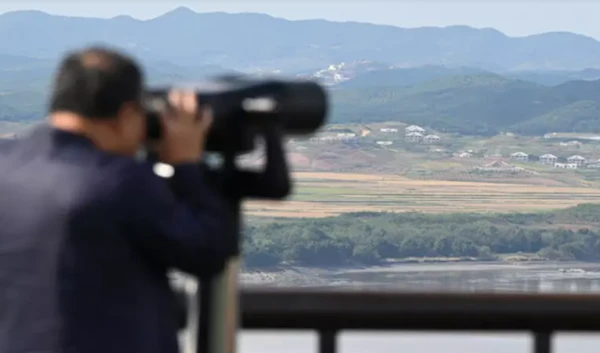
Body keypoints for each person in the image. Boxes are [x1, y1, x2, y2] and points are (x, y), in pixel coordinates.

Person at [0, 46, 232, 353]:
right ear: (126, 114)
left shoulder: (7, 166)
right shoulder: (118, 180)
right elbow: (207, 251)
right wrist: (187, 165)